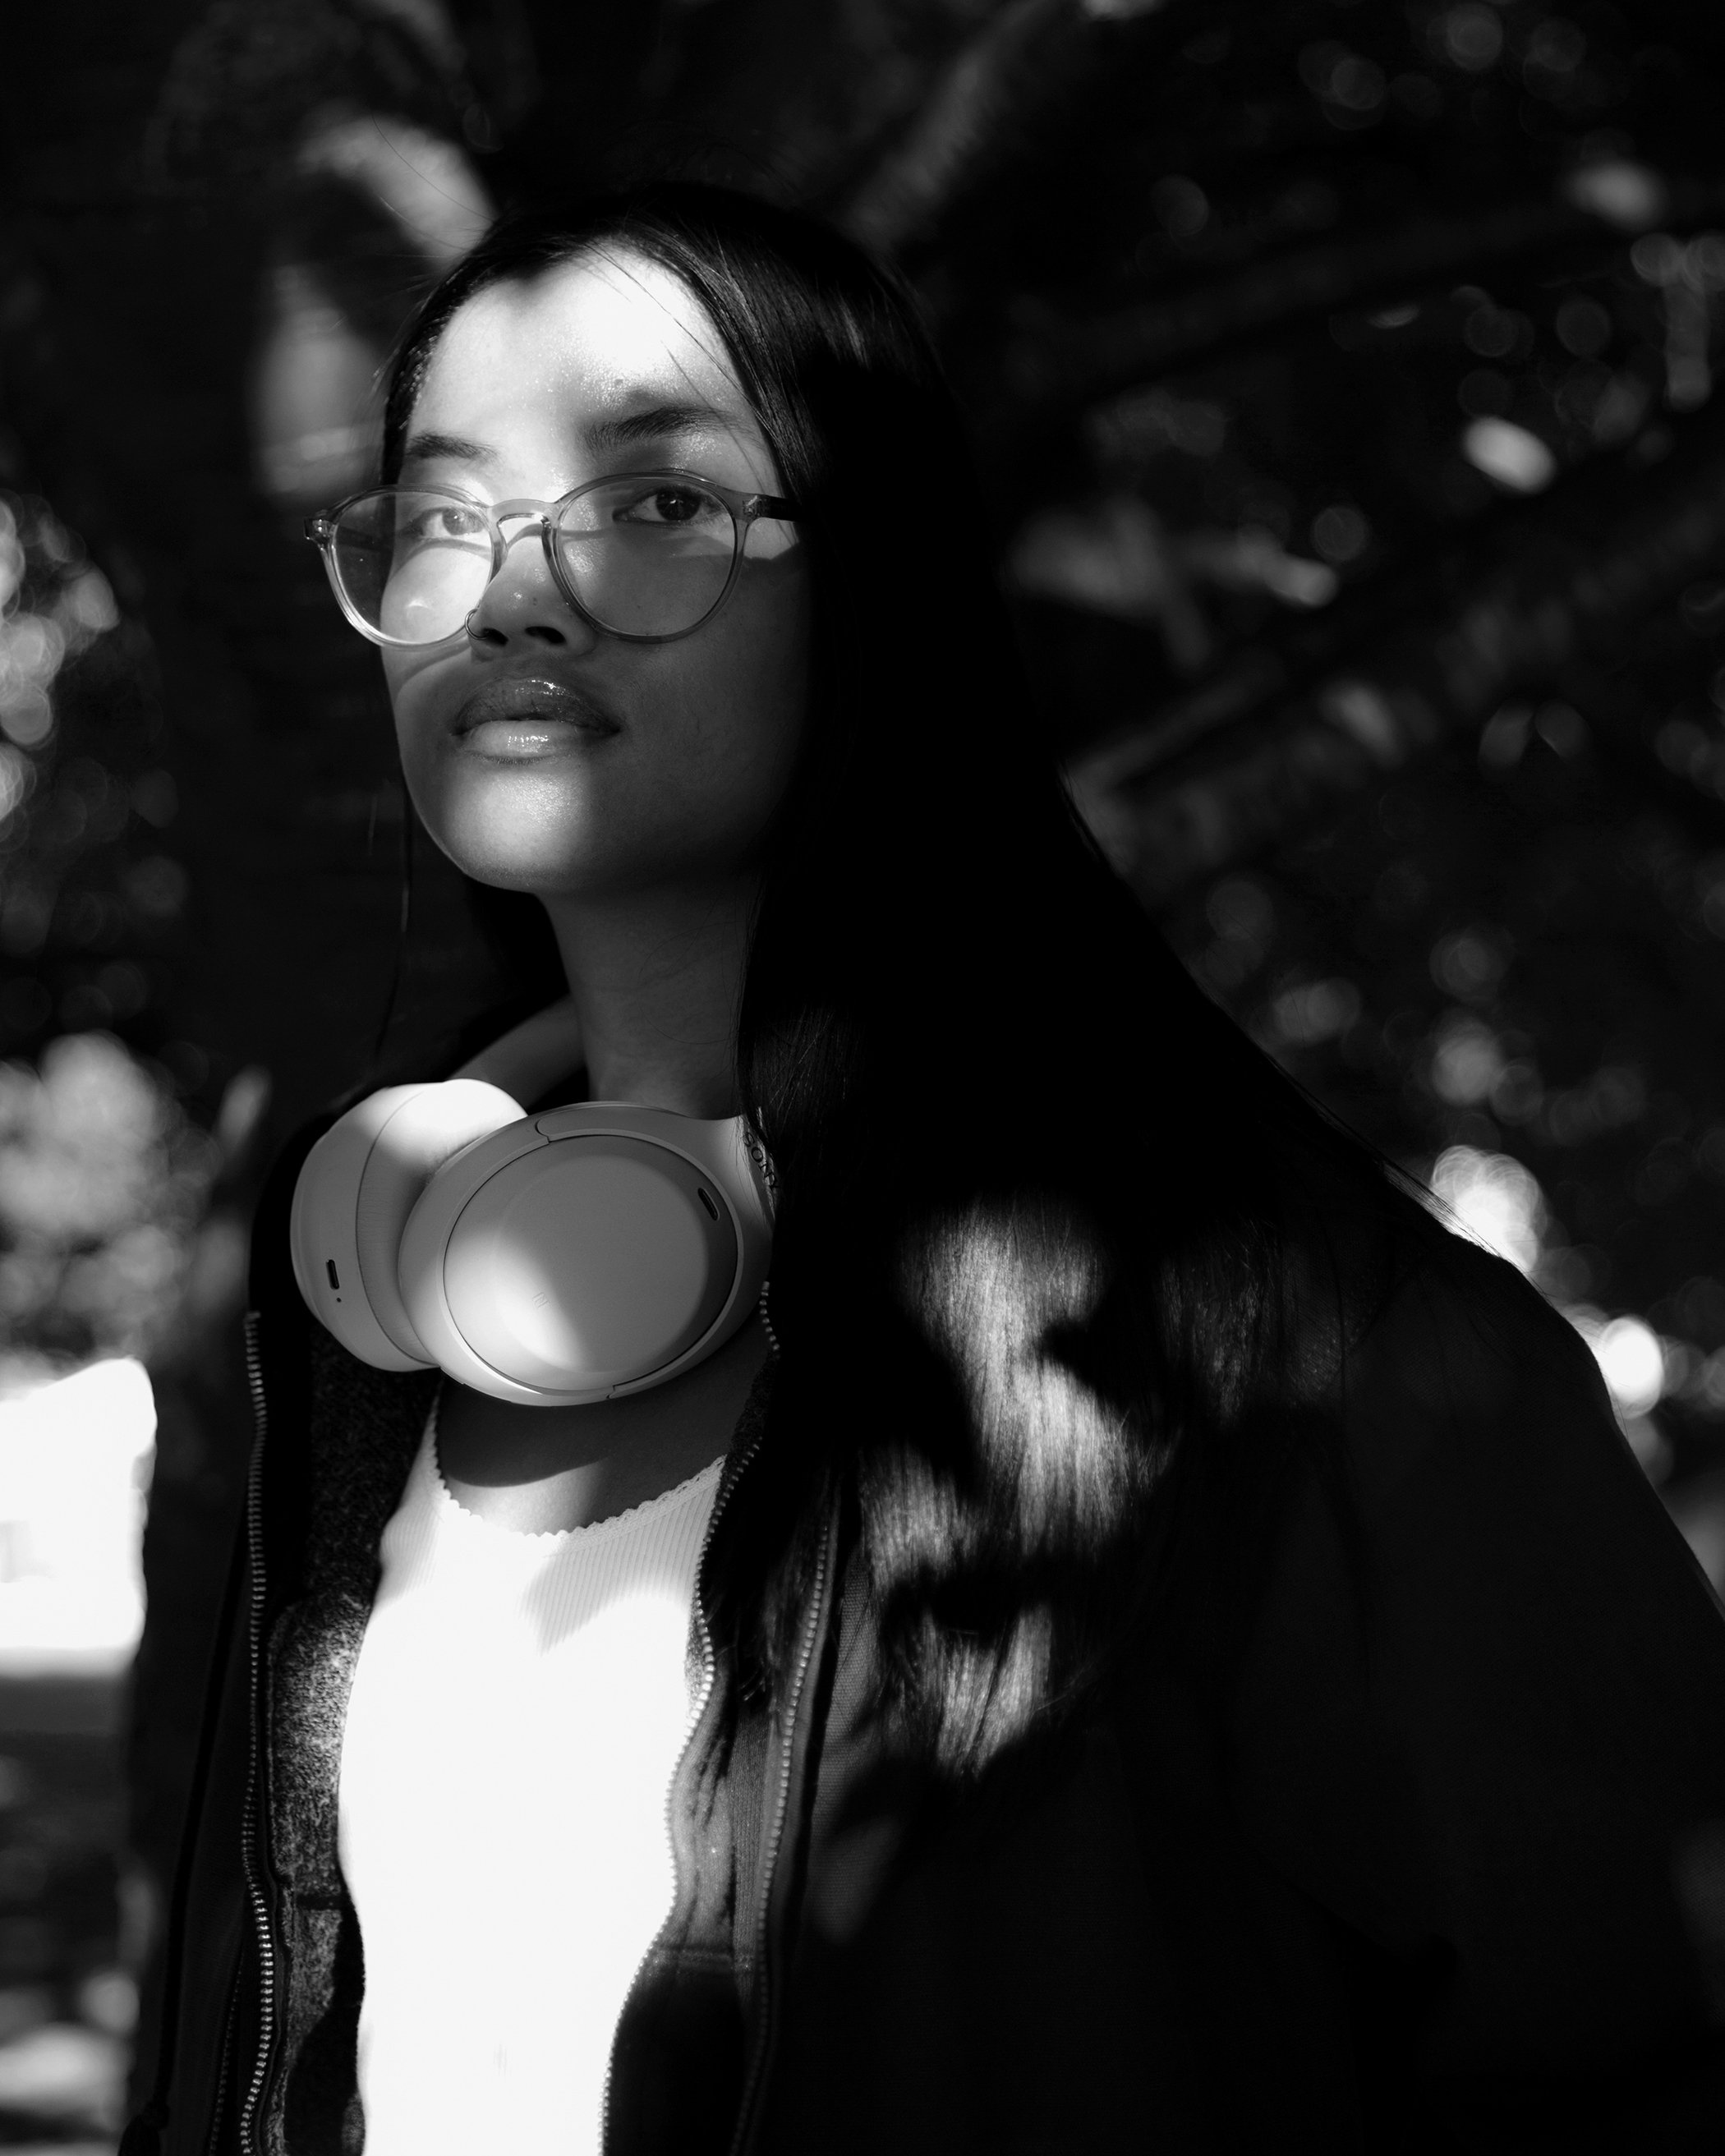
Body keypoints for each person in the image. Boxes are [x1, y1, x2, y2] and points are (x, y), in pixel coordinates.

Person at [126, 182, 1725, 2156]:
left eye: (656, 503)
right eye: (445, 514)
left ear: (870, 579)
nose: (515, 589)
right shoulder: (366, 1309)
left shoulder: (1309, 1363)